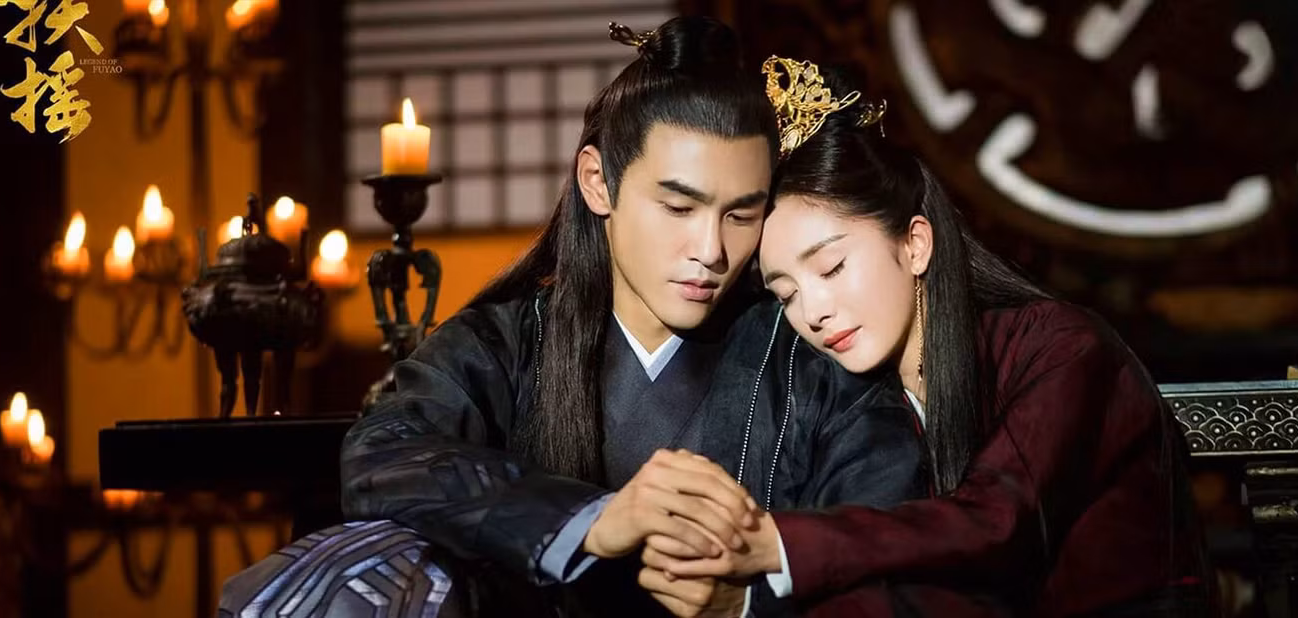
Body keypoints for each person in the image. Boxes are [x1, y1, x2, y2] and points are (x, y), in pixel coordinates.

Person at [330, 24, 925, 618]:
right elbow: (382, 453)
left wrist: (747, 604)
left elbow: (882, 551)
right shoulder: (503, 346)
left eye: (741, 215)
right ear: (598, 182)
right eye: (678, 207)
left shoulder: (813, 364)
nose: (711, 251)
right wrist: (594, 519)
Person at [639, 57, 1212, 617]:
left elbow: (998, 520)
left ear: (915, 244)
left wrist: (780, 546)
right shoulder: (857, 395)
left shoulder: (1063, 347)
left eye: (832, 268)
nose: (813, 312)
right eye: (786, 294)